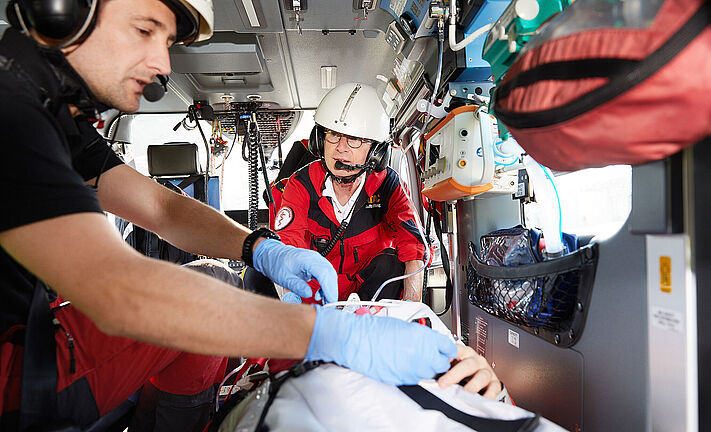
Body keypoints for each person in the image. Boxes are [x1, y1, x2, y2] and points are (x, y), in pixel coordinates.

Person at [0, 0, 464, 429]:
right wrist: (326, 333)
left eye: (167, 43)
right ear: (62, 12)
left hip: (37, 329)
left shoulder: (57, 118)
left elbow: (162, 208)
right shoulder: (13, 114)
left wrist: (257, 246)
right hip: (16, 373)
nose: (163, 65)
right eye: (144, 30)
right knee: (209, 287)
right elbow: (120, 295)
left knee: (213, 279)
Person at [273, 83, 427, 303]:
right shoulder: (301, 183)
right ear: (320, 141)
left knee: (391, 263)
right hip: (316, 295)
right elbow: (287, 250)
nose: (340, 148)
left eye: (354, 139)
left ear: (375, 151)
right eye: (333, 135)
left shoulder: (388, 185)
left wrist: (413, 312)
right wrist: (294, 314)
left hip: (369, 298)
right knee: (258, 273)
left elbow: (414, 246)